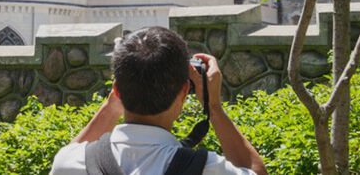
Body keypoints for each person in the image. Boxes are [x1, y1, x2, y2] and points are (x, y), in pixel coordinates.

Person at [50, 27, 267, 175]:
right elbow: (255, 171)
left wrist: (111, 107)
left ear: (116, 91)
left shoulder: (72, 164)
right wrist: (213, 107)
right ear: (184, 92)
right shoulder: (205, 169)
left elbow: (65, 157)